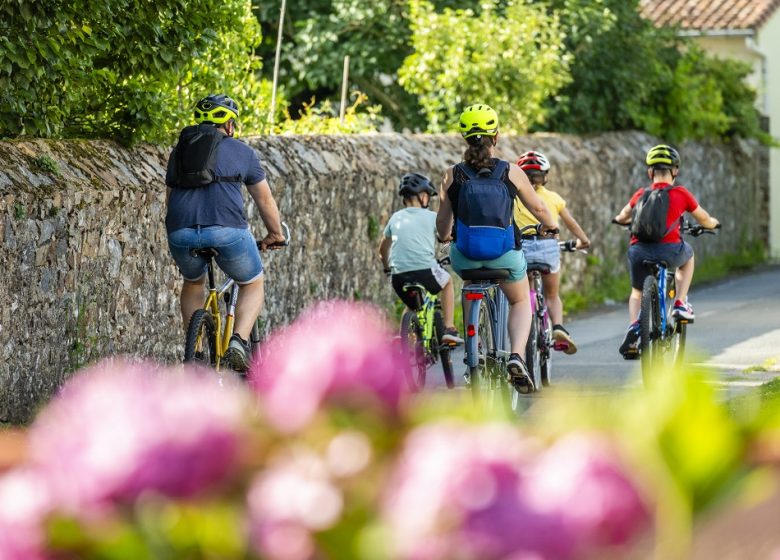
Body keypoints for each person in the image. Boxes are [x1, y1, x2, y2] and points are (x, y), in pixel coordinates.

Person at [436, 104, 558, 393]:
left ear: (465, 138)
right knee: (519, 301)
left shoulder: (452, 175)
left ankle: (473, 352)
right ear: (496, 136)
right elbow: (539, 207)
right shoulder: (511, 172)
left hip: (465, 256)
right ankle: (516, 355)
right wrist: (551, 225)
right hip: (504, 254)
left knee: (469, 283)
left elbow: (443, 222)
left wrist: (443, 236)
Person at [165, 94, 286, 372]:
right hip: (228, 233)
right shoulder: (242, 151)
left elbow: (170, 200)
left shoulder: (179, 152)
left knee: (193, 283)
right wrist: (275, 234)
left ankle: (194, 353)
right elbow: (265, 201)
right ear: (229, 124)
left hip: (180, 232)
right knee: (252, 283)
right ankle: (238, 342)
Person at [613, 144, 720, 359]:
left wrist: (618, 220)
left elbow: (623, 215)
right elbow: (704, 218)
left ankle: (635, 325)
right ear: (675, 170)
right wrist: (713, 224)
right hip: (670, 250)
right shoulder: (681, 193)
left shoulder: (641, 194)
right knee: (688, 256)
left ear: (650, 172)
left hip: (639, 251)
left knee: (636, 292)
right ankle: (680, 302)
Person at [515, 150, 591, 354]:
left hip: (521, 249)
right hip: (548, 247)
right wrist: (583, 240)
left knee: (523, 294)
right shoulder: (553, 198)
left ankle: (526, 322)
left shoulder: (514, 198)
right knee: (552, 295)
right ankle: (558, 327)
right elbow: (570, 222)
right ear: (544, 176)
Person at [379, 173, 463, 345]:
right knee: (447, 283)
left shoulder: (395, 218)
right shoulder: (432, 217)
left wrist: (387, 268)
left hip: (398, 275)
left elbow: (382, 249)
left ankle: (403, 337)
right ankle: (449, 327)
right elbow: (444, 237)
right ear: (423, 196)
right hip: (425, 270)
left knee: (411, 305)